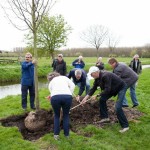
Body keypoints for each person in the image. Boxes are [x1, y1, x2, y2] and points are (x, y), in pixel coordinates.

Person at [81, 66, 129, 133]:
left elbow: (107, 90)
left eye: (92, 74)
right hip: (112, 89)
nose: (91, 76)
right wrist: (85, 99)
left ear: (96, 72)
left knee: (118, 107)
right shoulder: (97, 79)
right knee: (102, 100)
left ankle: (125, 126)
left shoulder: (106, 76)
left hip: (120, 87)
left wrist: (97, 95)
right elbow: (93, 89)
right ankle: (105, 118)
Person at [47, 72, 75, 140]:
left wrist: (53, 94)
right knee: (66, 115)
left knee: (57, 115)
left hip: (55, 98)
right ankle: (67, 135)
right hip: (67, 97)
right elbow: (73, 85)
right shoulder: (65, 78)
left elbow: (50, 89)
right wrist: (70, 93)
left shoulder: (52, 81)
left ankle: (56, 135)